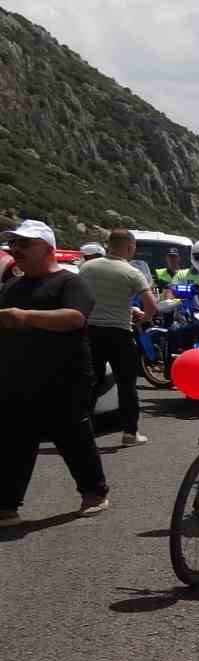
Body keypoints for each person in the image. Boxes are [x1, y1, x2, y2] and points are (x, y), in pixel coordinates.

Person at [0, 219, 111, 521]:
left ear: (47, 248)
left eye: (24, 244)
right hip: (17, 379)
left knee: (74, 438)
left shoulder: (69, 282)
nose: (15, 249)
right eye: (13, 244)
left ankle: (94, 493)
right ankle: (7, 505)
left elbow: (75, 317)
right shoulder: (12, 286)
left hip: (64, 378)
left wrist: (26, 317)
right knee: (14, 441)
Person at [78, 228, 157, 446]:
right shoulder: (131, 272)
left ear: (108, 245)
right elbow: (151, 304)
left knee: (92, 382)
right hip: (120, 333)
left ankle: (83, 433)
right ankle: (130, 434)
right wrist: (143, 318)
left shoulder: (87, 267)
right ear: (130, 247)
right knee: (126, 384)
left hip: (91, 331)